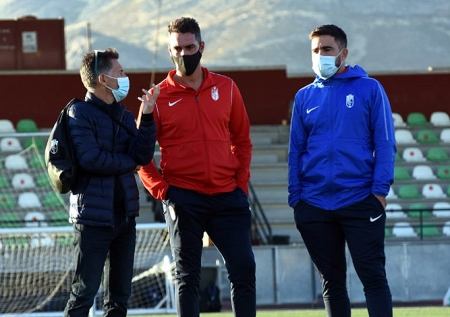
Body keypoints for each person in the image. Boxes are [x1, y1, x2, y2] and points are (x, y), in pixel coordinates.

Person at [137, 17, 256, 317]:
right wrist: (163, 190)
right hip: (183, 197)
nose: (183, 54)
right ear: (169, 51)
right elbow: (140, 154)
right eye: (177, 48)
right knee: (187, 275)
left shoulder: (227, 87)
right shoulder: (156, 98)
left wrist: (241, 185)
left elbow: (242, 140)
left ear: (201, 46)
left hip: (228, 195)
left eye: (189, 47)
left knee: (243, 270)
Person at [288, 24, 396, 317]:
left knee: (373, 278)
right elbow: (295, 150)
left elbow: (385, 143)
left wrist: (379, 192)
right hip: (314, 204)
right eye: (315, 50)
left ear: (343, 53)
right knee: (332, 283)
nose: (320, 55)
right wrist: (296, 199)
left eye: (327, 49)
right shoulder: (304, 97)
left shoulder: (370, 88)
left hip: (361, 200)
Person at [63, 48, 159, 317]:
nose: (125, 77)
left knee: (119, 298)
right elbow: (92, 159)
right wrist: (130, 164)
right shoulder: (78, 113)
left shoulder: (125, 115)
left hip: (125, 218)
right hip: (92, 219)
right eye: (120, 72)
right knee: (83, 294)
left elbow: (142, 155)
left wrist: (148, 114)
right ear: (104, 80)